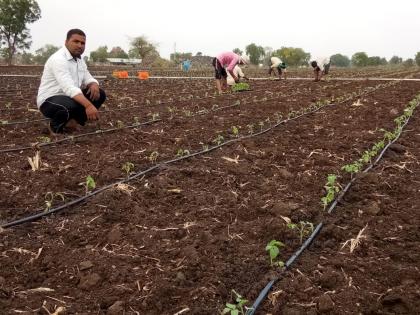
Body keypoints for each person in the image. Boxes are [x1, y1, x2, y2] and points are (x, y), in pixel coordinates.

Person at [37, 29, 106, 134]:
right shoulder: (59, 59)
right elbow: (69, 88)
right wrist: (88, 106)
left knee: (99, 94)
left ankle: (73, 122)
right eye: (76, 41)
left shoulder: (79, 60)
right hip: (49, 100)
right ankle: (54, 127)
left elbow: (87, 77)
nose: (79, 45)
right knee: (69, 105)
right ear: (66, 42)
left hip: (70, 97)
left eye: (82, 43)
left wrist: (94, 84)